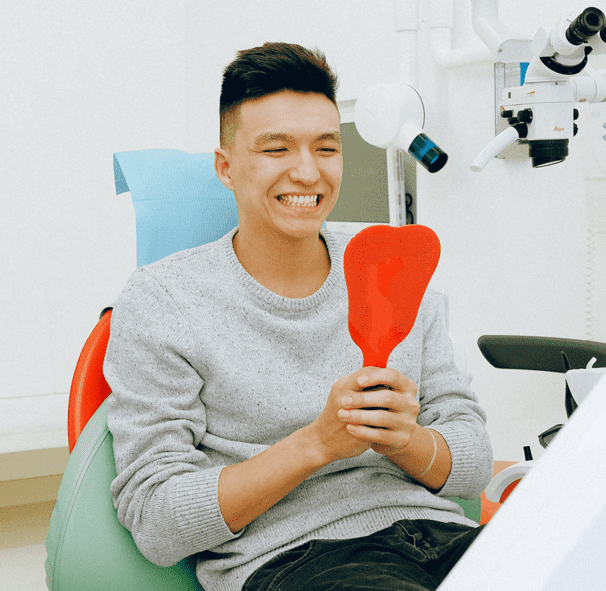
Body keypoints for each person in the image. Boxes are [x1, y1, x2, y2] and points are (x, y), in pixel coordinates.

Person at [106, 42, 492, 591]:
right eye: (277, 149)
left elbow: (472, 462)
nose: (308, 172)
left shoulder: (388, 262)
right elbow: (157, 520)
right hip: (294, 558)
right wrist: (318, 443)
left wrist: (405, 439)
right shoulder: (164, 300)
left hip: (440, 535)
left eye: (326, 148)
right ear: (227, 167)